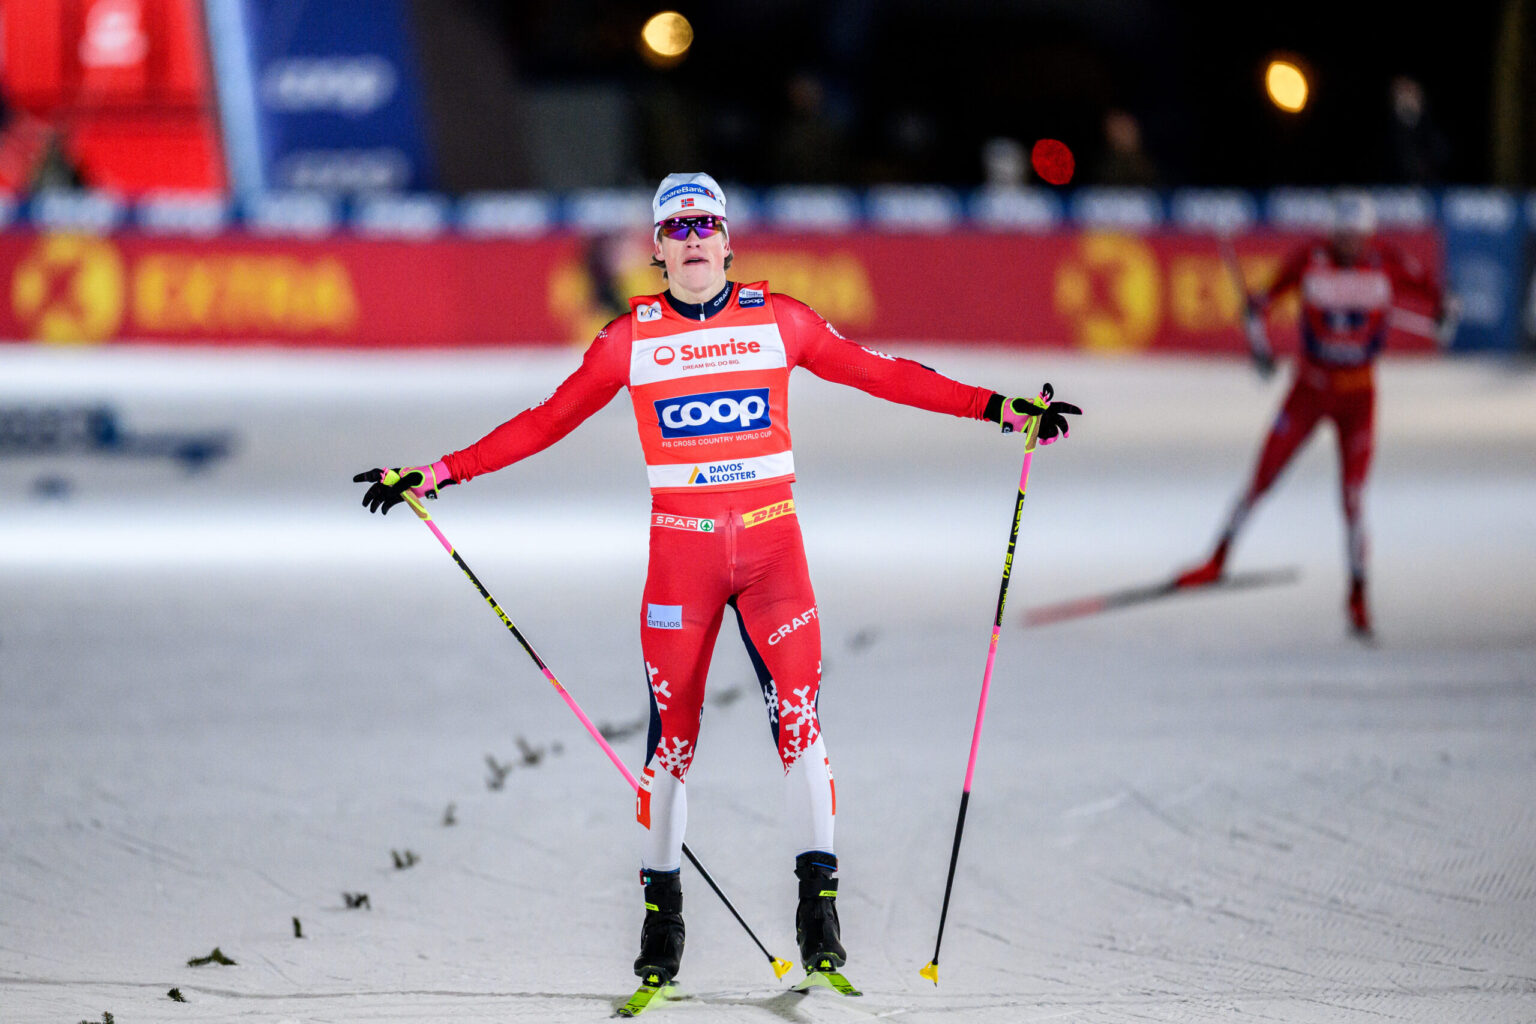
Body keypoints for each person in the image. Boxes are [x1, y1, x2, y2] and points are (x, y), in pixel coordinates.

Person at [354, 172, 1079, 987]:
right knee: (672, 743)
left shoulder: (781, 320)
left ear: (728, 241)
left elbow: (881, 373)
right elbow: (546, 420)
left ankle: (819, 909)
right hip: (682, 563)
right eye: (678, 228)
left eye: (707, 224)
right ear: (658, 251)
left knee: (800, 724)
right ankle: (662, 921)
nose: (694, 238)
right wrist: (438, 472)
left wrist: (999, 408)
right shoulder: (629, 339)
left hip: (774, 558)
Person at [1176, 192, 1455, 637]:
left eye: (1356, 236)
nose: (1348, 244)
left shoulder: (1386, 260)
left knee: (1353, 499)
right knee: (1262, 477)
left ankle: (1358, 595)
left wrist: (1444, 312)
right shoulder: (1310, 258)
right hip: (1308, 391)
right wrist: (1258, 335)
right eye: (1342, 235)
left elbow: (1437, 299)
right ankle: (1216, 559)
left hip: (1358, 398)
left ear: (1367, 235)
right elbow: (1266, 300)